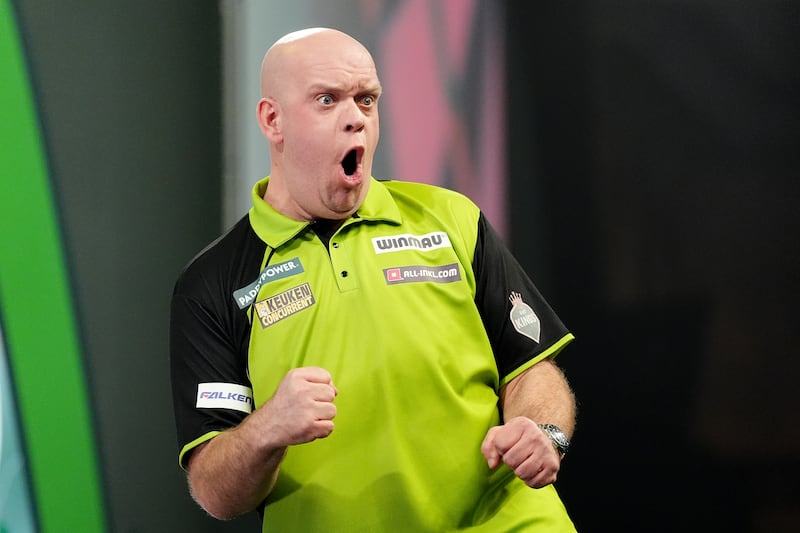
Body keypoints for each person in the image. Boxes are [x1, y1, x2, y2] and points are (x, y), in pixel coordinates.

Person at [170, 27, 578, 532]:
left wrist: (542, 430)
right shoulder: (213, 283)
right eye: (327, 100)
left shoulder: (450, 218)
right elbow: (214, 491)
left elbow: (532, 367)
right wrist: (267, 429)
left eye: (366, 99)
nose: (355, 119)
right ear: (272, 120)